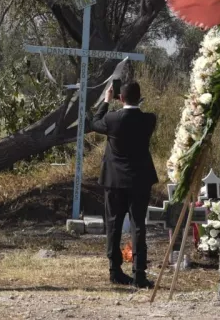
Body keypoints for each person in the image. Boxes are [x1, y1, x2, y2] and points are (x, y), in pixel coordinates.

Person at [92, 81, 158, 288]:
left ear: (120, 98)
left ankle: (115, 270)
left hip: (114, 179)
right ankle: (139, 273)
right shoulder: (149, 120)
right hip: (139, 179)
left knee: (114, 224)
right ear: (139, 98)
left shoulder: (111, 119)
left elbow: (94, 122)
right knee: (138, 225)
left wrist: (105, 101)